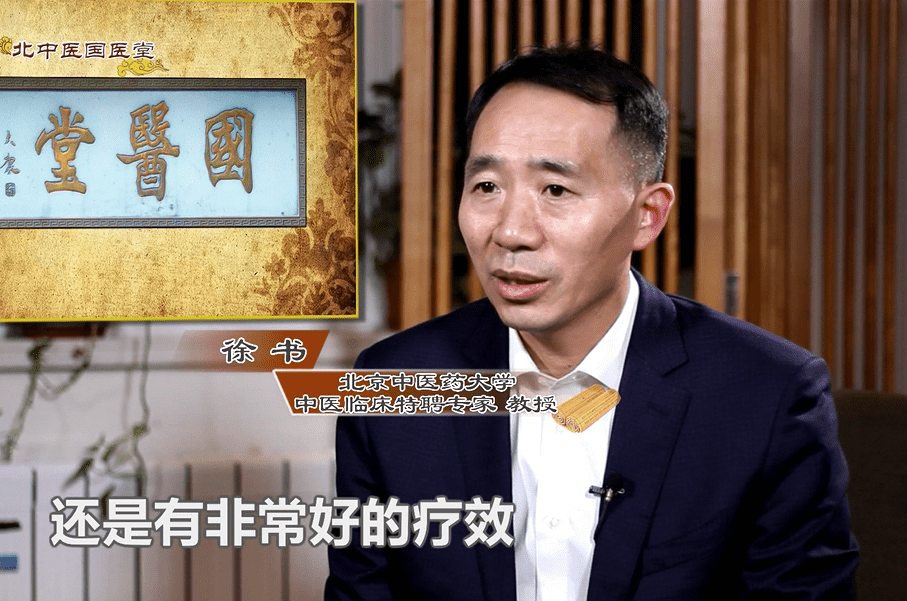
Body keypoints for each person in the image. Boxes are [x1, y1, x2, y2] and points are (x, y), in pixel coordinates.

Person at [326, 45, 858, 600]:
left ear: (647, 215)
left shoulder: (766, 393)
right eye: (487, 187)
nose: (510, 232)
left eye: (555, 190)